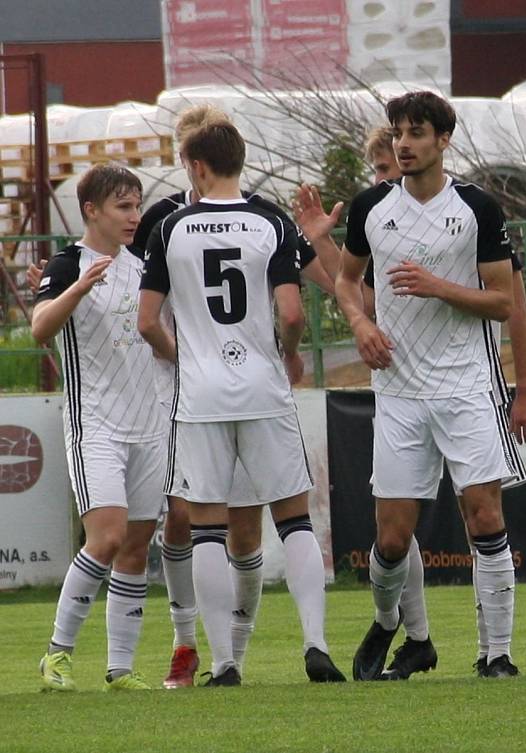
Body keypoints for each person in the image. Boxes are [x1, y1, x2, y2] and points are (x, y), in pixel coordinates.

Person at [294, 123, 526, 679]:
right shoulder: (374, 210)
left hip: (468, 388)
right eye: (389, 150)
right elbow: (354, 287)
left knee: (484, 516)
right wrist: (356, 319)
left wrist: (525, 387)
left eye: (410, 140)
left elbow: (509, 304)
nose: (398, 154)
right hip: (400, 393)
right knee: (390, 536)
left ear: (443, 141)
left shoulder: (476, 209)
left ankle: (496, 654)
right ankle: (393, 625)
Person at [138, 109, 345, 686]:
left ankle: (225, 661)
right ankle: (315, 644)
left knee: (206, 527)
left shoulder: (170, 228)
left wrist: (189, 358)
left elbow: (147, 322)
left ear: (196, 165)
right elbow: (294, 310)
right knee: (295, 519)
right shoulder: (270, 220)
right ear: (240, 162)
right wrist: (288, 350)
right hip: (262, 386)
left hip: (199, 396)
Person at [33, 164, 163, 692]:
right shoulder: (68, 264)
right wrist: (78, 289)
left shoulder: (146, 267)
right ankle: (57, 654)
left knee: (136, 546)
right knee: (105, 537)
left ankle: (121, 669)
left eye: (136, 206)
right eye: (123, 207)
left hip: (150, 425)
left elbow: (161, 332)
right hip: (97, 426)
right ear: (92, 211)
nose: (134, 216)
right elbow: (41, 327)